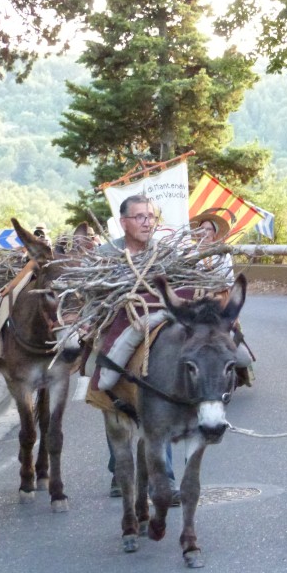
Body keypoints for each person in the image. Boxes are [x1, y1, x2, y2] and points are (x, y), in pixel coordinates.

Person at [94, 195, 179, 504]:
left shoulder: (166, 253)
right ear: (123, 222)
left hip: (156, 333)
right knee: (108, 392)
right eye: (140, 216)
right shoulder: (106, 255)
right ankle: (120, 469)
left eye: (150, 216)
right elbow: (94, 302)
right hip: (116, 331)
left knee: (159, 401)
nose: (147, 222)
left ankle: (164, 478)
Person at [189, 210, 254, 386]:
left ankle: (237, 373)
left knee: (230, 333)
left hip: (222, 298)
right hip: (200, 299)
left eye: (209, 229)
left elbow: (228, 278)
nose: (205, 233)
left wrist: (215, 287)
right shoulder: (190, 255)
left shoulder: (223, 253)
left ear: (215, 233)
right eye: (201, 229)